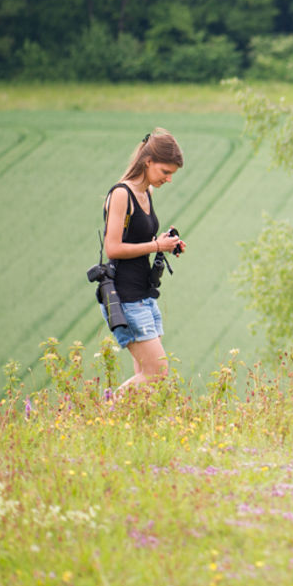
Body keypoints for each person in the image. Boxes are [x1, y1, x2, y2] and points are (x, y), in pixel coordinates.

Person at [102, 129, 188, 392]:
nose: (169, 178)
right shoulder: (121, 194)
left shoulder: (146, 193)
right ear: (148, 161)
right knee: (157, 373)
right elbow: (112, 248)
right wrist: (155, 245)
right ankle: (105, 412)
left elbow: (137, 240)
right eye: (165, 171)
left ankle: (129, 427)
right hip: (126, 297)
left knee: (146, 379)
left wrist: (164, 242)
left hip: (145, 295)